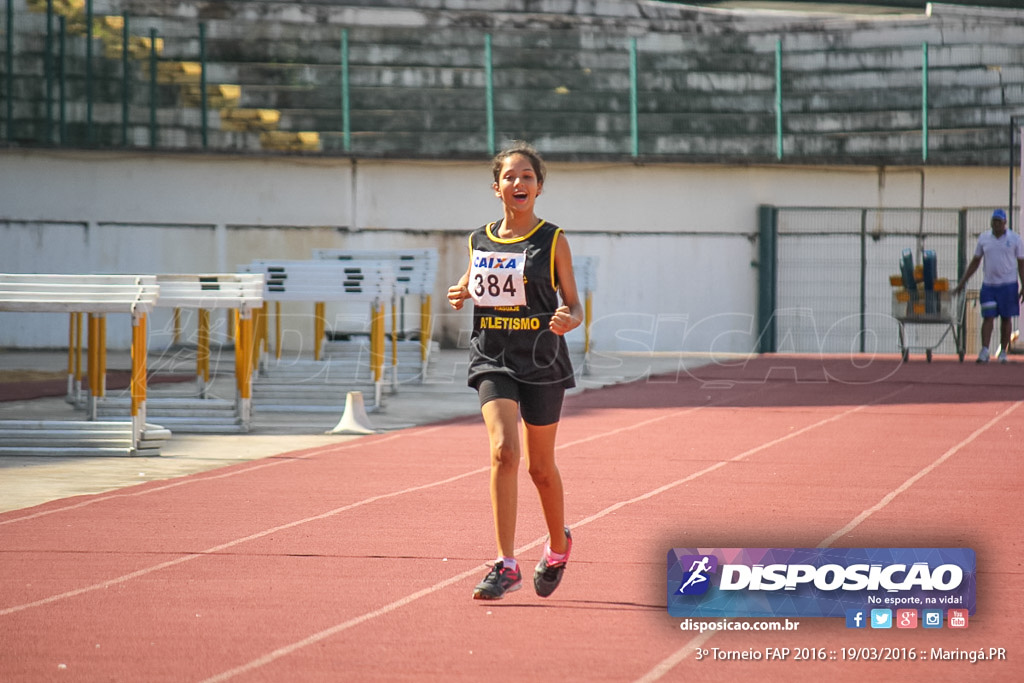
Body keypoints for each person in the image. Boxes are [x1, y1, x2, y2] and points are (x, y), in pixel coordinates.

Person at [447, 141, 583, 600]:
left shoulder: (553, 240)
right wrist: (460, 291)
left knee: (540, 468)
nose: (518, 183)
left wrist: (568, 318)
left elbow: (575, 305)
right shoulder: (478, 239)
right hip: (493, 357)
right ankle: (506, 564)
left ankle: (559, 546)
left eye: (527, 176)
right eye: (510, 176)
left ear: (538, 187)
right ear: (496, 187)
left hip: (542, 359)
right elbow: (471, 281)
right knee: (504, 452)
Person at [953, 208, 1024, 363]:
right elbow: (975, 262)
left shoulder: (1015, 239)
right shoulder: (984, 239)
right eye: (994, 221)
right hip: (989, 285)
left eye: (999, 221)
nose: (996, 224)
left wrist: (1023, 285)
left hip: (1008, 285)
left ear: (1005, 223)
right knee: (988, 317)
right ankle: (985, 350)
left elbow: (1021, 264)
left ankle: (1003, 351)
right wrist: (962, 283)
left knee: (1006, 319)